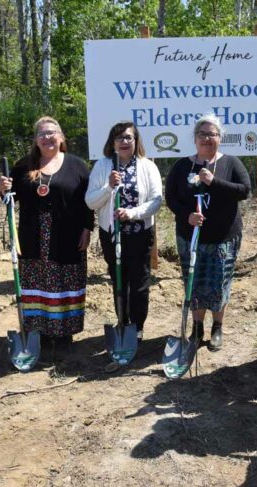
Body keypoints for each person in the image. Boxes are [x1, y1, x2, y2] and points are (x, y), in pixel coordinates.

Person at [0, 116, 93, 348]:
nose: (47, 137)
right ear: (36, 140)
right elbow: (10, 201)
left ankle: (64, 332)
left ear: (61, 137)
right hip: (33, 235)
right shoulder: (22, 166)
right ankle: (39, 331)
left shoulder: (77, 165)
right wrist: (3, 191)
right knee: (38, 282)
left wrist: (88, 228)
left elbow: (86, 202)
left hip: (68, 234)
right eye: (42, 134)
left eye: (52, 133)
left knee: (65, 281)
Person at [165, 113, 251, 351]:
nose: (207, 138)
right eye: (202, 134)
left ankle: (217, 328)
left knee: (219, 284)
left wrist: (214, 182)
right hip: (190, 237)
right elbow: (171, 198)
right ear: (195, 138)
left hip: (224, 238)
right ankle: (197, 327)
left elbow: (244, 190)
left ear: (220, 138)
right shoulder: (182, 165)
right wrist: (187, 216)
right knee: (193, 283)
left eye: (212, 134)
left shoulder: (231, 163)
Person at [86, 121, 162, 341]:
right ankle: (123, 321)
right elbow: (91, 202)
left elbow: (156, 201)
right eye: (120, 138)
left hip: (140, 234)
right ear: (113, 142)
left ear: (136, 141)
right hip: (112, 233)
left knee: (139, 281)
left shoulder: (147, 166)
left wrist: (133, 213)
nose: (124, 142)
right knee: (119, 279)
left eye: (129, 137)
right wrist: (109, 187)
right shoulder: (102, 166)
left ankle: (137, 327)